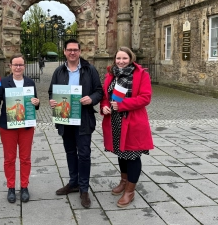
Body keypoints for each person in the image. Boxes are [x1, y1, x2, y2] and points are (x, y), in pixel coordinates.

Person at [48, 39, 103, 208]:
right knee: (70, 151)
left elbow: (99, 91)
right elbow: (52, 91)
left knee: (84, 153)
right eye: (69, 49)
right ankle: (73, 183)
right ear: (64, 52)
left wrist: (91, 99)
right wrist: (52, 101)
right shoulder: (59, 71)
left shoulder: (89, 69)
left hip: (83, 118)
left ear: (80, 52)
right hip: (65, 119)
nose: (72, 52)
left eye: (75, 50)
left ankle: (84, 188)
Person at [100, 46, 154, 208]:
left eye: (124, 58)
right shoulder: (111, 75)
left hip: (133, 122)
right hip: (115, 121)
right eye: (118, 58)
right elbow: (105, 96)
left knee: (132, 155)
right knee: (121, 153)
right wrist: (104, 106)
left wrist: (122, 105)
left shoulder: (141, 74)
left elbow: (145, 98)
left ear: (131, 59)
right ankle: (124, 181)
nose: (121, 61)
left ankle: (130, 190)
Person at [0, 53, 40, 203]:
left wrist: (37, 103)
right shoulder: (3, 83)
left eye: (20, 64)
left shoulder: (30, 83)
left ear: (24, 66)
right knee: (9, 159)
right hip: (8, 126)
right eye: (15, 64)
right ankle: (11, 187)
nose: (18, 67)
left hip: (26, 126)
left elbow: (34, 104)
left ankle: (24, 186)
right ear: (10, 66)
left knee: (25, 158)